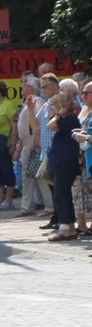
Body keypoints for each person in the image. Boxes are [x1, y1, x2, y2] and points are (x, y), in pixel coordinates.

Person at [46, 92, 81, 242]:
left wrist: (59, 114)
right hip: (61, 160)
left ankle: (65, 228)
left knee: (61, 194)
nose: (52, 109)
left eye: (54, 106)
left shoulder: (70, 118)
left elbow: (50, 125)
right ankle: (70, 228)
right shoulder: (67, 118)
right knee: (62, 193)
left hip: (65, 161)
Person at [15, 78, 51, 217]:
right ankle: (27, 206)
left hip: (33, 140)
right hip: (27, 141)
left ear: (31, 88)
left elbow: (40, 121)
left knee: (37, 173)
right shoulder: (28, 102)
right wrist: (19, 148)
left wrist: (37, 137)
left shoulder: (36, 101)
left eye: (25, 86)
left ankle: (48, 206)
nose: (23, 88)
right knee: (29, 174)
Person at [33, 74, 62, 228]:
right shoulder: (46, 104)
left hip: (57, 150)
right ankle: (56, 217)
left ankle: (61, 219)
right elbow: (36, 124)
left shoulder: (62, 101)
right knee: (52, 187)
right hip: (47, 151)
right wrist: (31, 108)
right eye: (42, 87)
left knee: (58, 187)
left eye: (46, 86)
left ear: (56, 85)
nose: (43, 89)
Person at [72, 82, 92, 236]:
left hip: (87, 155)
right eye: (82, 93)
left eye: (86, 93)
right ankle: (82, 223)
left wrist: (83, 137)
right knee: (79, 190)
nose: (83, 96)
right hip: (82, 156)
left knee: (88, 191)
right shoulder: (85, 109)